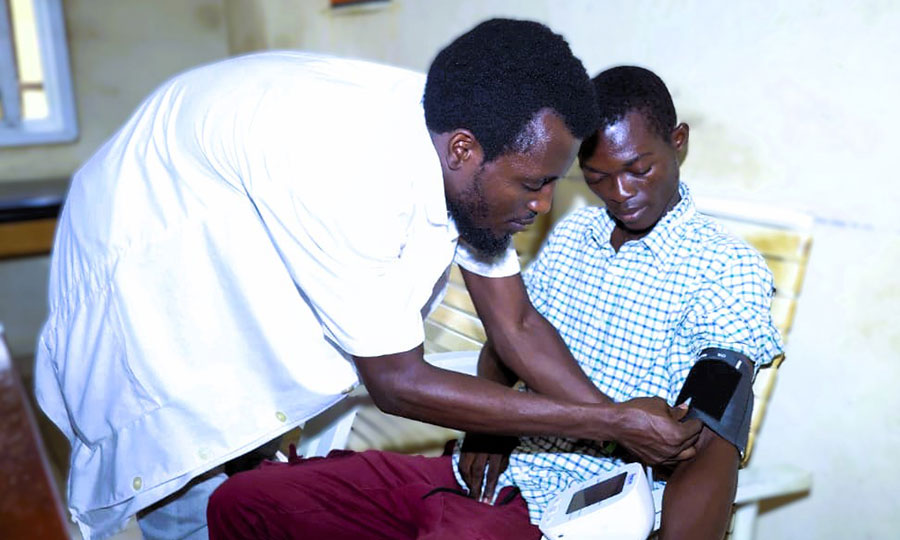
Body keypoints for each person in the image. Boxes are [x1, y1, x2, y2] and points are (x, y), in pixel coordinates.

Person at [34, 20, 702, 540]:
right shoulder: (354, 171)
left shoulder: (468, 145)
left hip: (238, 218)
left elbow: (516, 325)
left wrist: (620, 435)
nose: (544, 205)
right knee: (199, 501)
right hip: (146, 266)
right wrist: (606, 420)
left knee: (263, 481)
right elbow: (398, 384)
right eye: (535, 184)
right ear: (465, 151)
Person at [206, 66, 783, 539]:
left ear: (678, 142)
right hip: (479, 476)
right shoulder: (575, 234)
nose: (620, 193)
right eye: (598, 177)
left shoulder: (725, 266)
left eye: (639, 169)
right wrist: (488, 431)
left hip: (570, 509)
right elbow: (510, 343)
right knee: (249, 501)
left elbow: (712, 431)